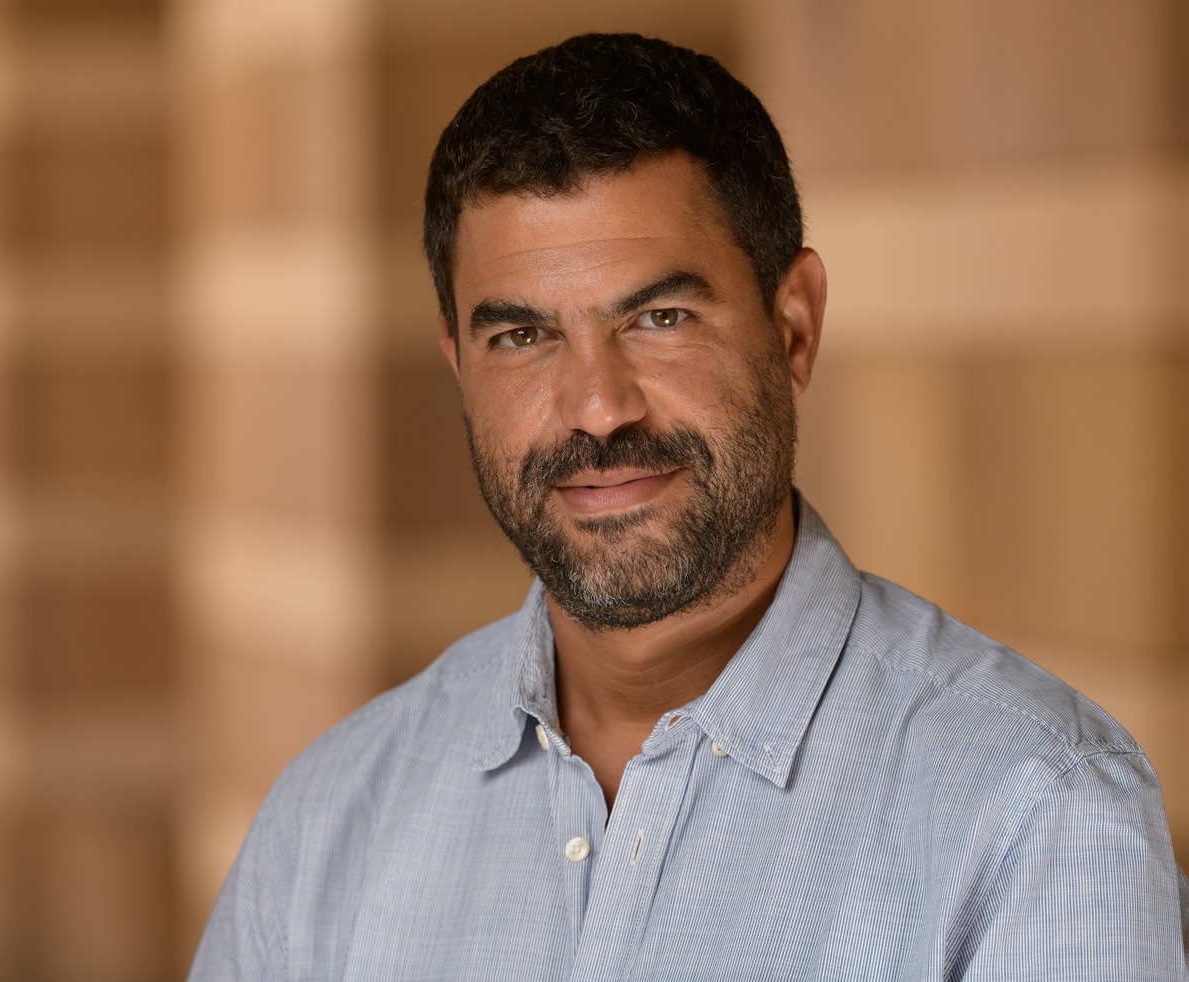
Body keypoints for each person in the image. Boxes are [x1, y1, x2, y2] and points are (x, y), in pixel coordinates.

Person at [189, 32, 1188, 980]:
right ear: (459, 367)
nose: (597, 407)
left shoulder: (1036, 812)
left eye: (660, 318)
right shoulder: (331, 820)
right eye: (523, 337)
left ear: (793, 326)